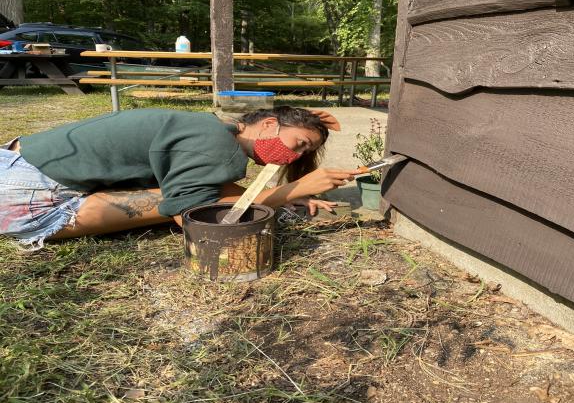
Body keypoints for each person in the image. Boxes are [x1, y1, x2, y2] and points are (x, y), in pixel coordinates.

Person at [0, 106, 358, 249]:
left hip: (15, 162)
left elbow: (210, 183)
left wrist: (291, 193)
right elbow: (192, 213)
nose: (294, 156)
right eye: (298, 144)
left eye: (303, 154)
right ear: (267, 124)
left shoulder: (212, 129)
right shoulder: (216, 146)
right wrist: (286, 193)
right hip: (27, 193)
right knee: (181, 200)